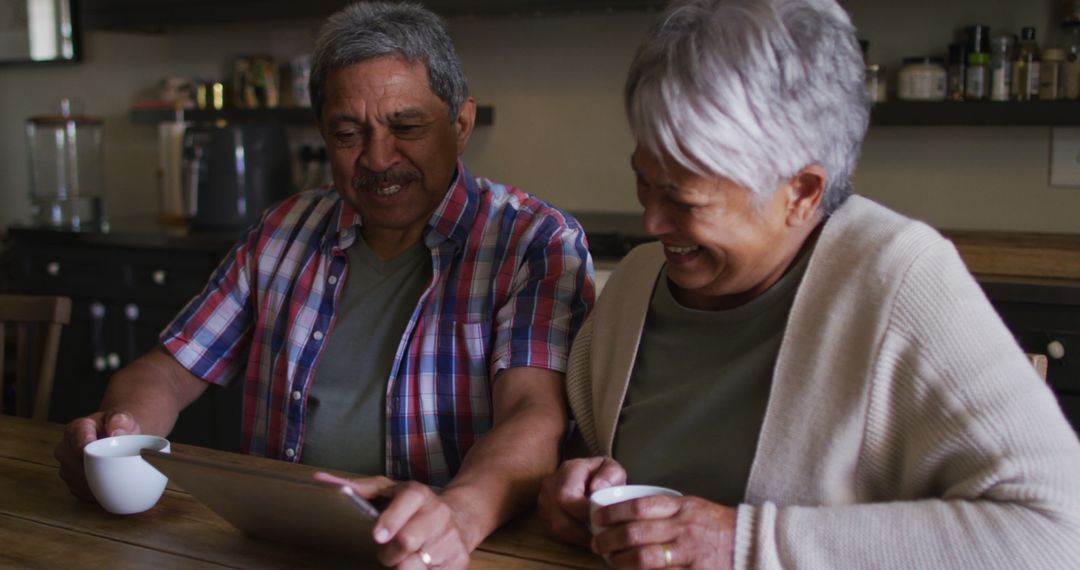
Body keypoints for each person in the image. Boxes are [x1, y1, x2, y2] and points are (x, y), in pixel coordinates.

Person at [536, 0, 1080, 568]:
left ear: (802, 192)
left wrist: (745, 544)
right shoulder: (638, 282)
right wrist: (575, 486)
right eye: (643, 181)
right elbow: (588, 452)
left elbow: (1059, 529)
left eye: (683, 198)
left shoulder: (899, 280)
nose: (651, 222)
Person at [55, 2, 594, 567]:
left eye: (406, 127)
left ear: (459, 124)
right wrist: (120, 435)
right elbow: (169, 369)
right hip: (278, 541)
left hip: (448, 552)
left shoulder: (534, 242)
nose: (379, 158)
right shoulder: (282, 231)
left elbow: (533, 416)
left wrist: (455, 516)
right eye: (347, 133)